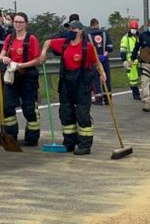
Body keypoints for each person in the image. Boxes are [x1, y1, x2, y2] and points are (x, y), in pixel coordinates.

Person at [41, 20, 104, 155]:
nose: (70, 31)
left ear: (81, 31)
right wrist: (43, 53)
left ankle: (85, 145)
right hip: (66, 83)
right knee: (66, 113)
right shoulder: (64, 43)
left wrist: (102, 74)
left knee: (82, 114)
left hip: (82, 84)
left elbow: (97, 63)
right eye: (69, 28)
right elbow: (47, 42)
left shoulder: (87, 47)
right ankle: (69, 143)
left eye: (73, 29)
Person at [0, 12, 43, 146]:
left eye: (21, 22)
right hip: (12, 75)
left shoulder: (31, 39)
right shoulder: (9, 38)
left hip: (28, 76)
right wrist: (4, 58)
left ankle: (32, 138)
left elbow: (38, 59)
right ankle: (10, 135)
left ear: (26, 24)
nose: (18, 24)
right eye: (16, 22)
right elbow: (0, 55)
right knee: (7, 106)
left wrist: (21, 65)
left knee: (29, 108)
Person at [88, 18, 113, 104]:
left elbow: (87, 49)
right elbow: (109, 47)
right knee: (106, 77)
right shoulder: (105, 33)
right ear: (98, 24)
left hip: (94, 59)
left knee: (95, 78)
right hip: (104, 58)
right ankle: (108, 99)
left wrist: (96, 57)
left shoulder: (87, 35)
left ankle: (98, 98)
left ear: (90, 25)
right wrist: (103, 55)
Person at [119, 19, 141, 100]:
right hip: (130, 63)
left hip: (141, 61)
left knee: (145, 79)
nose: (134, 30)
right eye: (132, 28)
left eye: (135, 29)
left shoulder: (140, 37)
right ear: (129, 28)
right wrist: (124, 60)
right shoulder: (125, 38)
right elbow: (122, 50)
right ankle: (136, 95)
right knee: (133, 80)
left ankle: (148, 95)